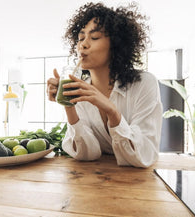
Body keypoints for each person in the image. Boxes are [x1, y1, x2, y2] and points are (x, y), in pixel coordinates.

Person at [47, 2, 162, 168]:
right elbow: (87, 154)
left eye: (94, 37)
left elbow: (144, 156)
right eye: (81, 38)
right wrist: (68, 105)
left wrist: (112, 112)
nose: (83, 44)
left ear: (116, 44)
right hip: (96, 183)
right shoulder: (79, 89)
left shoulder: (144, 84)